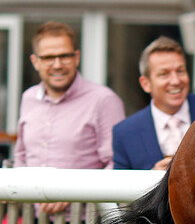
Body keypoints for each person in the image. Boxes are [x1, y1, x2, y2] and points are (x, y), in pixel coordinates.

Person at [14, 22, 125, 214]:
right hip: (32, 222)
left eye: (64, 56)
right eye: (48, 57)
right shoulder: (28, 98)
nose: (57, 65)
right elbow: (21, 156)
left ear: (77, 57)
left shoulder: (103, 100)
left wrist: (71, 193)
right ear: (35, 61)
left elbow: (117, 163)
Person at [112, 37, 195, 171]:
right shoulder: (125, 133)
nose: (175, 81)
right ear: (146, 84)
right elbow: (121, 187)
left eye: (180, 71)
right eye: (164, 74)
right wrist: (152, 178)